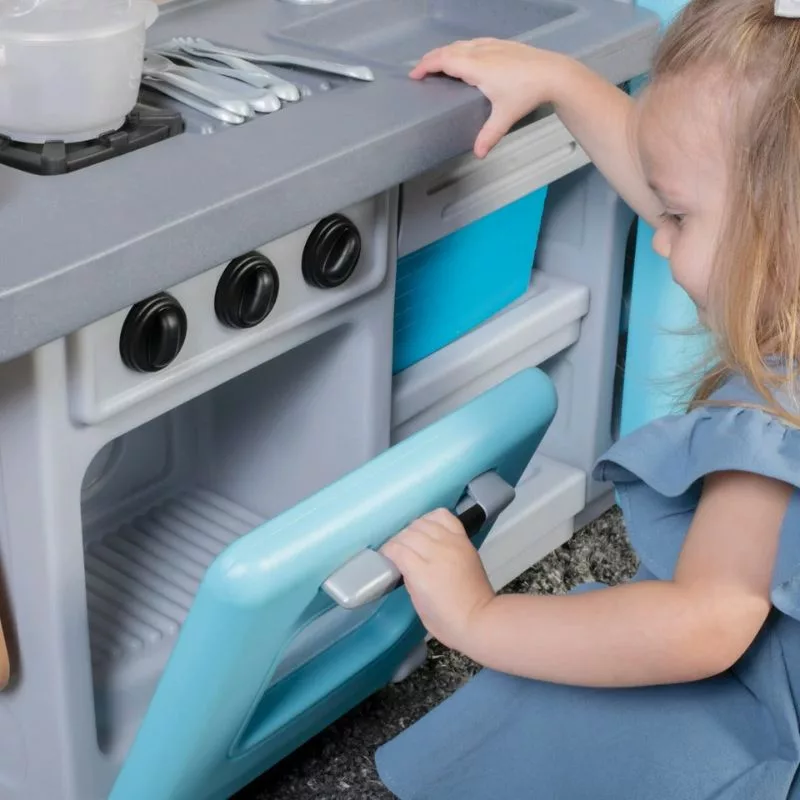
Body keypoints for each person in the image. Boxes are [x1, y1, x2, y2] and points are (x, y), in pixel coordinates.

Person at [374, 1, 800, 798]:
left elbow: (701, 625)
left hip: (773, 727)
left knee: (554, 715)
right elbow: (683, 173)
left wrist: (478, 619)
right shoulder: (780, 255)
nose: (659, 235)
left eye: (674, 219)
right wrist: (563, 82)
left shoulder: (780, 411)